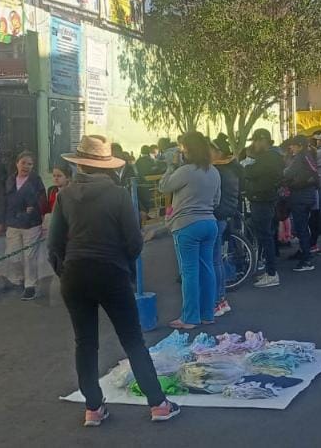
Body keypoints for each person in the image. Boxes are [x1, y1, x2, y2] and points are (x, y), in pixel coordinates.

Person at [49, 135, 181, 426]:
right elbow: (134, 241)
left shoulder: (65, 195)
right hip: (111, 271)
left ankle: (93, 408)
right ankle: (158, 403)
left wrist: (65, 271)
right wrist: (123, 266)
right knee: (132, 340)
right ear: (107, 166)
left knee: (85, 343)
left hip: (74, 273)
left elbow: (54, 244)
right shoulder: (118, 194)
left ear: (79, 165)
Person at [158, 132, 220, 329]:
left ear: (188, 149)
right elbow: (217, 201)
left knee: (189, 272)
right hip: (210, 223)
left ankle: (190, 318)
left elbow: (163, 186)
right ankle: (208, 314)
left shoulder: (185, 171)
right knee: (207, 268)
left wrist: (170, 166)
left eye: (182, 148)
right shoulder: (213, 172)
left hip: (187, 225)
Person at [0, 151, 47, 300]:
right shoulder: (9, 180)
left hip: (32, 224)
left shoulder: (36, 181)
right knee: (13, 256)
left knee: (30, 256)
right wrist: (0, 221)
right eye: (23, 162)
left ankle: (30, 285)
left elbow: (41, 202)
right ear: (17, 163)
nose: (26, 166)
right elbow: (2, 202)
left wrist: (38, 215)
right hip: (12, 223)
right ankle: (19, 279)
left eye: (29, 164)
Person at [242, 129, 284, 288]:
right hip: (263, 199)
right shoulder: (271, 157)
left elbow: (251, 172)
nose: (254, 144)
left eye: (256, 141)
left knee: (265, 237)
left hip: (262, 200)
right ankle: (269, 271)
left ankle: (272, 273)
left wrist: (248, 169)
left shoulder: (269, 158)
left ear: (263, 140)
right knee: (264, 235)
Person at [212, 144, 242, 317]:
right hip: (225, 215)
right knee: (217, 261)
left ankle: (216, 301)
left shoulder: (218, 172)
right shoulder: (231, 169)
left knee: (213, 261)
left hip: (216, 216)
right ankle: (221, 300)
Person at [282, 135, 319, 272]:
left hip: (300, 197)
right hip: (309, 196)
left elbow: (288, 173)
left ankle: (306, 259)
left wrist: (282, 175)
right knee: (304, 227)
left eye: (293, 145)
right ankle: (305, 252)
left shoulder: (299, 158)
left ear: (299, 145)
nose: (291, 147)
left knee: (301, 228)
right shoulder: (309, 156)